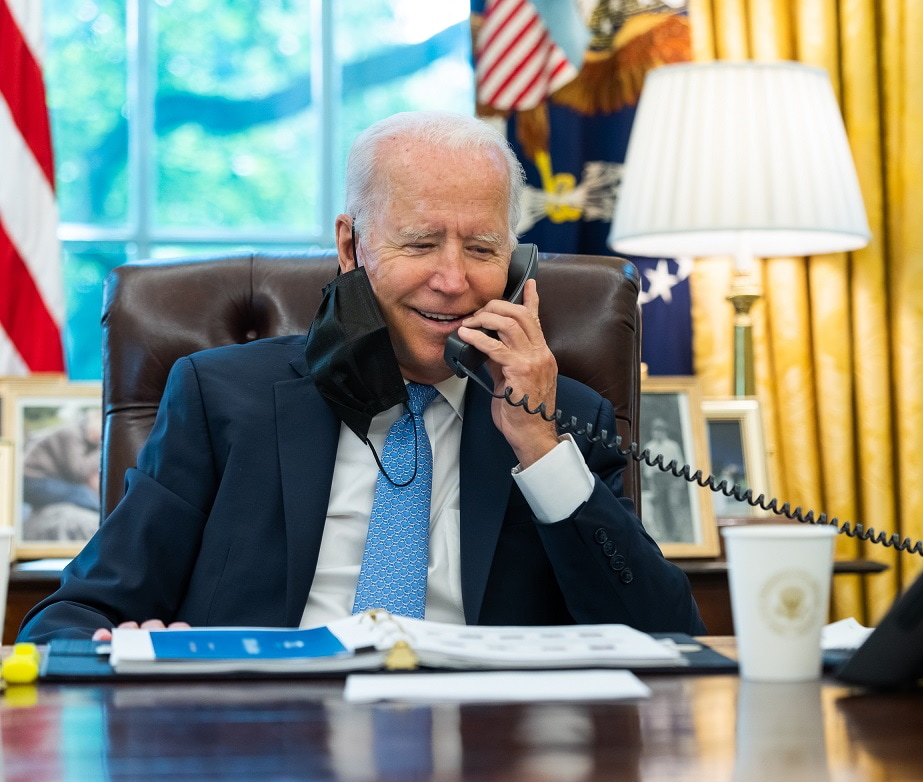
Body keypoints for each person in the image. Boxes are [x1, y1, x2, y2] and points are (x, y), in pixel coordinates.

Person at [19, 110, 704, 643]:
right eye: (420, 242)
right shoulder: (222, 398)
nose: (453, 280)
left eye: (482, 248)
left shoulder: (559, 420)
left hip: (485, 758)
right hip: (269, 751)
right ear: (351, 245)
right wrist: (127, 650)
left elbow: (666, 637)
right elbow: (71, 617)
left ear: (519, 267)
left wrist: (540, 447)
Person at [21, 407, 103, 541]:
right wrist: (102, 448)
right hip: (33, 480)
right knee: (81, 494)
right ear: (94, 419)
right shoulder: (71, 434)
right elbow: (78, 471)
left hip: (43, 481)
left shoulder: (82, 440)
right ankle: (104, 523)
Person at [639, 416, 692, 543]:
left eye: (661, 430)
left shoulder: (672, 446)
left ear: (665, 432)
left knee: (674, 504)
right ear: (652, 432)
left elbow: (680, 463)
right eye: (656, 430)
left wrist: (680, 480)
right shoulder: (649, 447)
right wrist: (651, 483)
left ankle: (678, 532)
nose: (658, 433)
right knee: (660, 507)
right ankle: (664, 533)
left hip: (671, 477)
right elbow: (648, 468)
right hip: (657, 479)